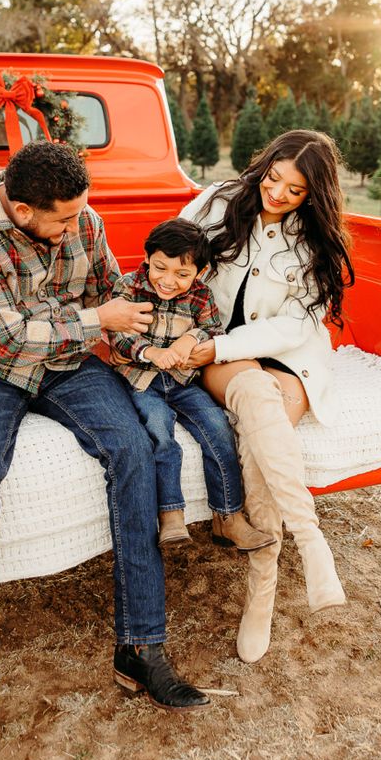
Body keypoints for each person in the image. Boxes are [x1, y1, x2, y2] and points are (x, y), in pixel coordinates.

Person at [0, 141, 209, 758]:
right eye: (61, 219)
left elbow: (112, 289)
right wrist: (96, 321)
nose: (75, 227)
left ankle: (141, 650)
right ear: (24, 208)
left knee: (134, 450)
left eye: (79, 215)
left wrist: (176, 323)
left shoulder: (83, 216)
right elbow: (6, 339)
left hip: (67, 364)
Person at [179, 129, 354, 663]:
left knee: (263, 428)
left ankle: (266, 584)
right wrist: (200, 341)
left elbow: (296, 325)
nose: (276, 195)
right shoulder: (218, 202)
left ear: (314, 196)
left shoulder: (312, 242)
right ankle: (305, 540)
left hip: (287, 353)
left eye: (295, 191)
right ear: (264, 167)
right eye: (273, 179)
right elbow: (171, 257)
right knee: (253, 390)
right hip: (216, 352)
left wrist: (226, 345)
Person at [109, 218, 275, 553]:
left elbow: (213, 329)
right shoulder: (128, 288)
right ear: (146, 258)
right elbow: (118, 336)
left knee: (218, 428)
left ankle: (227, 516)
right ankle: (171, 515)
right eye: (160, 268)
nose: (168, 281)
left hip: (184, 381)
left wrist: (189, 339)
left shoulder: (200, 295)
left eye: (182, 274)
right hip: (143, 381)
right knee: (159, 432)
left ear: (198, 272)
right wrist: (151, 352)